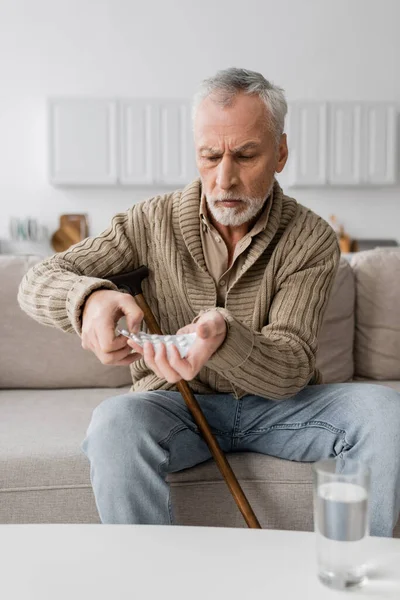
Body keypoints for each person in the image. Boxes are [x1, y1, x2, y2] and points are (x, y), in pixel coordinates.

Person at [18, 68, 400, 535]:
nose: (225, 178)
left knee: (386, 414)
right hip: (173, 406)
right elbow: (37, 279)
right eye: (210, 155)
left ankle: (355, 573)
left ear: (280, 152)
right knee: (114, 424)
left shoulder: (310, 238)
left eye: (245, 155)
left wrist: (223, 336)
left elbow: (290, 365)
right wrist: (89, 298)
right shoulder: (148, 221)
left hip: (281, 408)